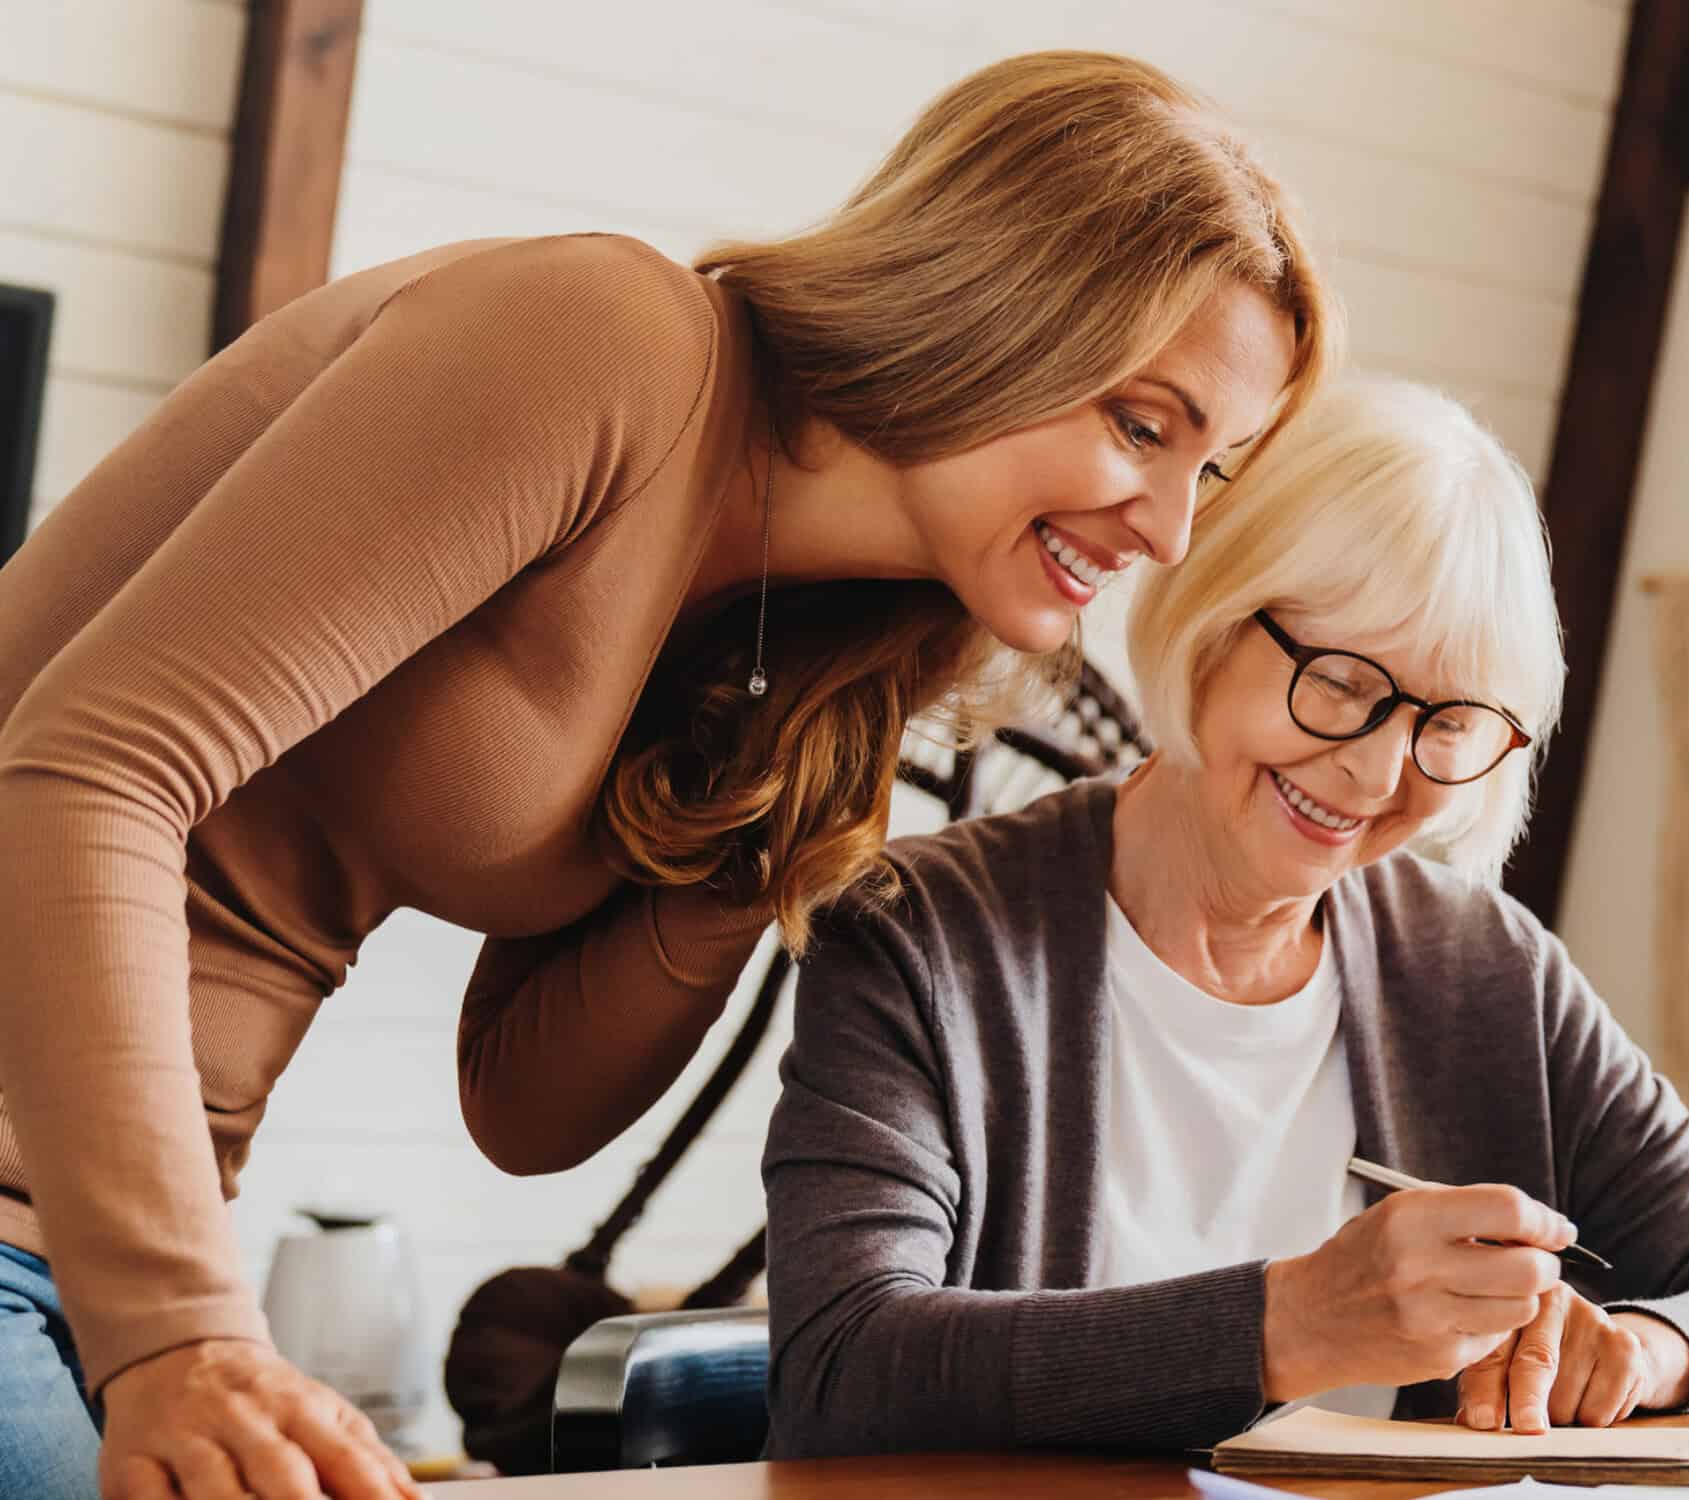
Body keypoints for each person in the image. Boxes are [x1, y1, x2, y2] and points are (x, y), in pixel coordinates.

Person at [0, 51, 1333, 1500]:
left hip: (87, 1248)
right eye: (1145, 426)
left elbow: (522, 1110)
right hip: (93, 1267)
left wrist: (755, 849)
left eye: (1215, 470)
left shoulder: (829, 651)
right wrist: (181, 1340)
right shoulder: (606, 340)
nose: (1168, 530)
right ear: (994, 305)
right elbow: (87, 768)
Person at [760, 379, 1689, 1458]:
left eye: (1450, 722)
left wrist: (1637, 1350)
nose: (1378, 772)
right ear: (1213, 622)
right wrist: (1289, 1324)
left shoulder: (1483, 970)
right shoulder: (919, 938)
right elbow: (841, 1370)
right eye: (1338, 682)